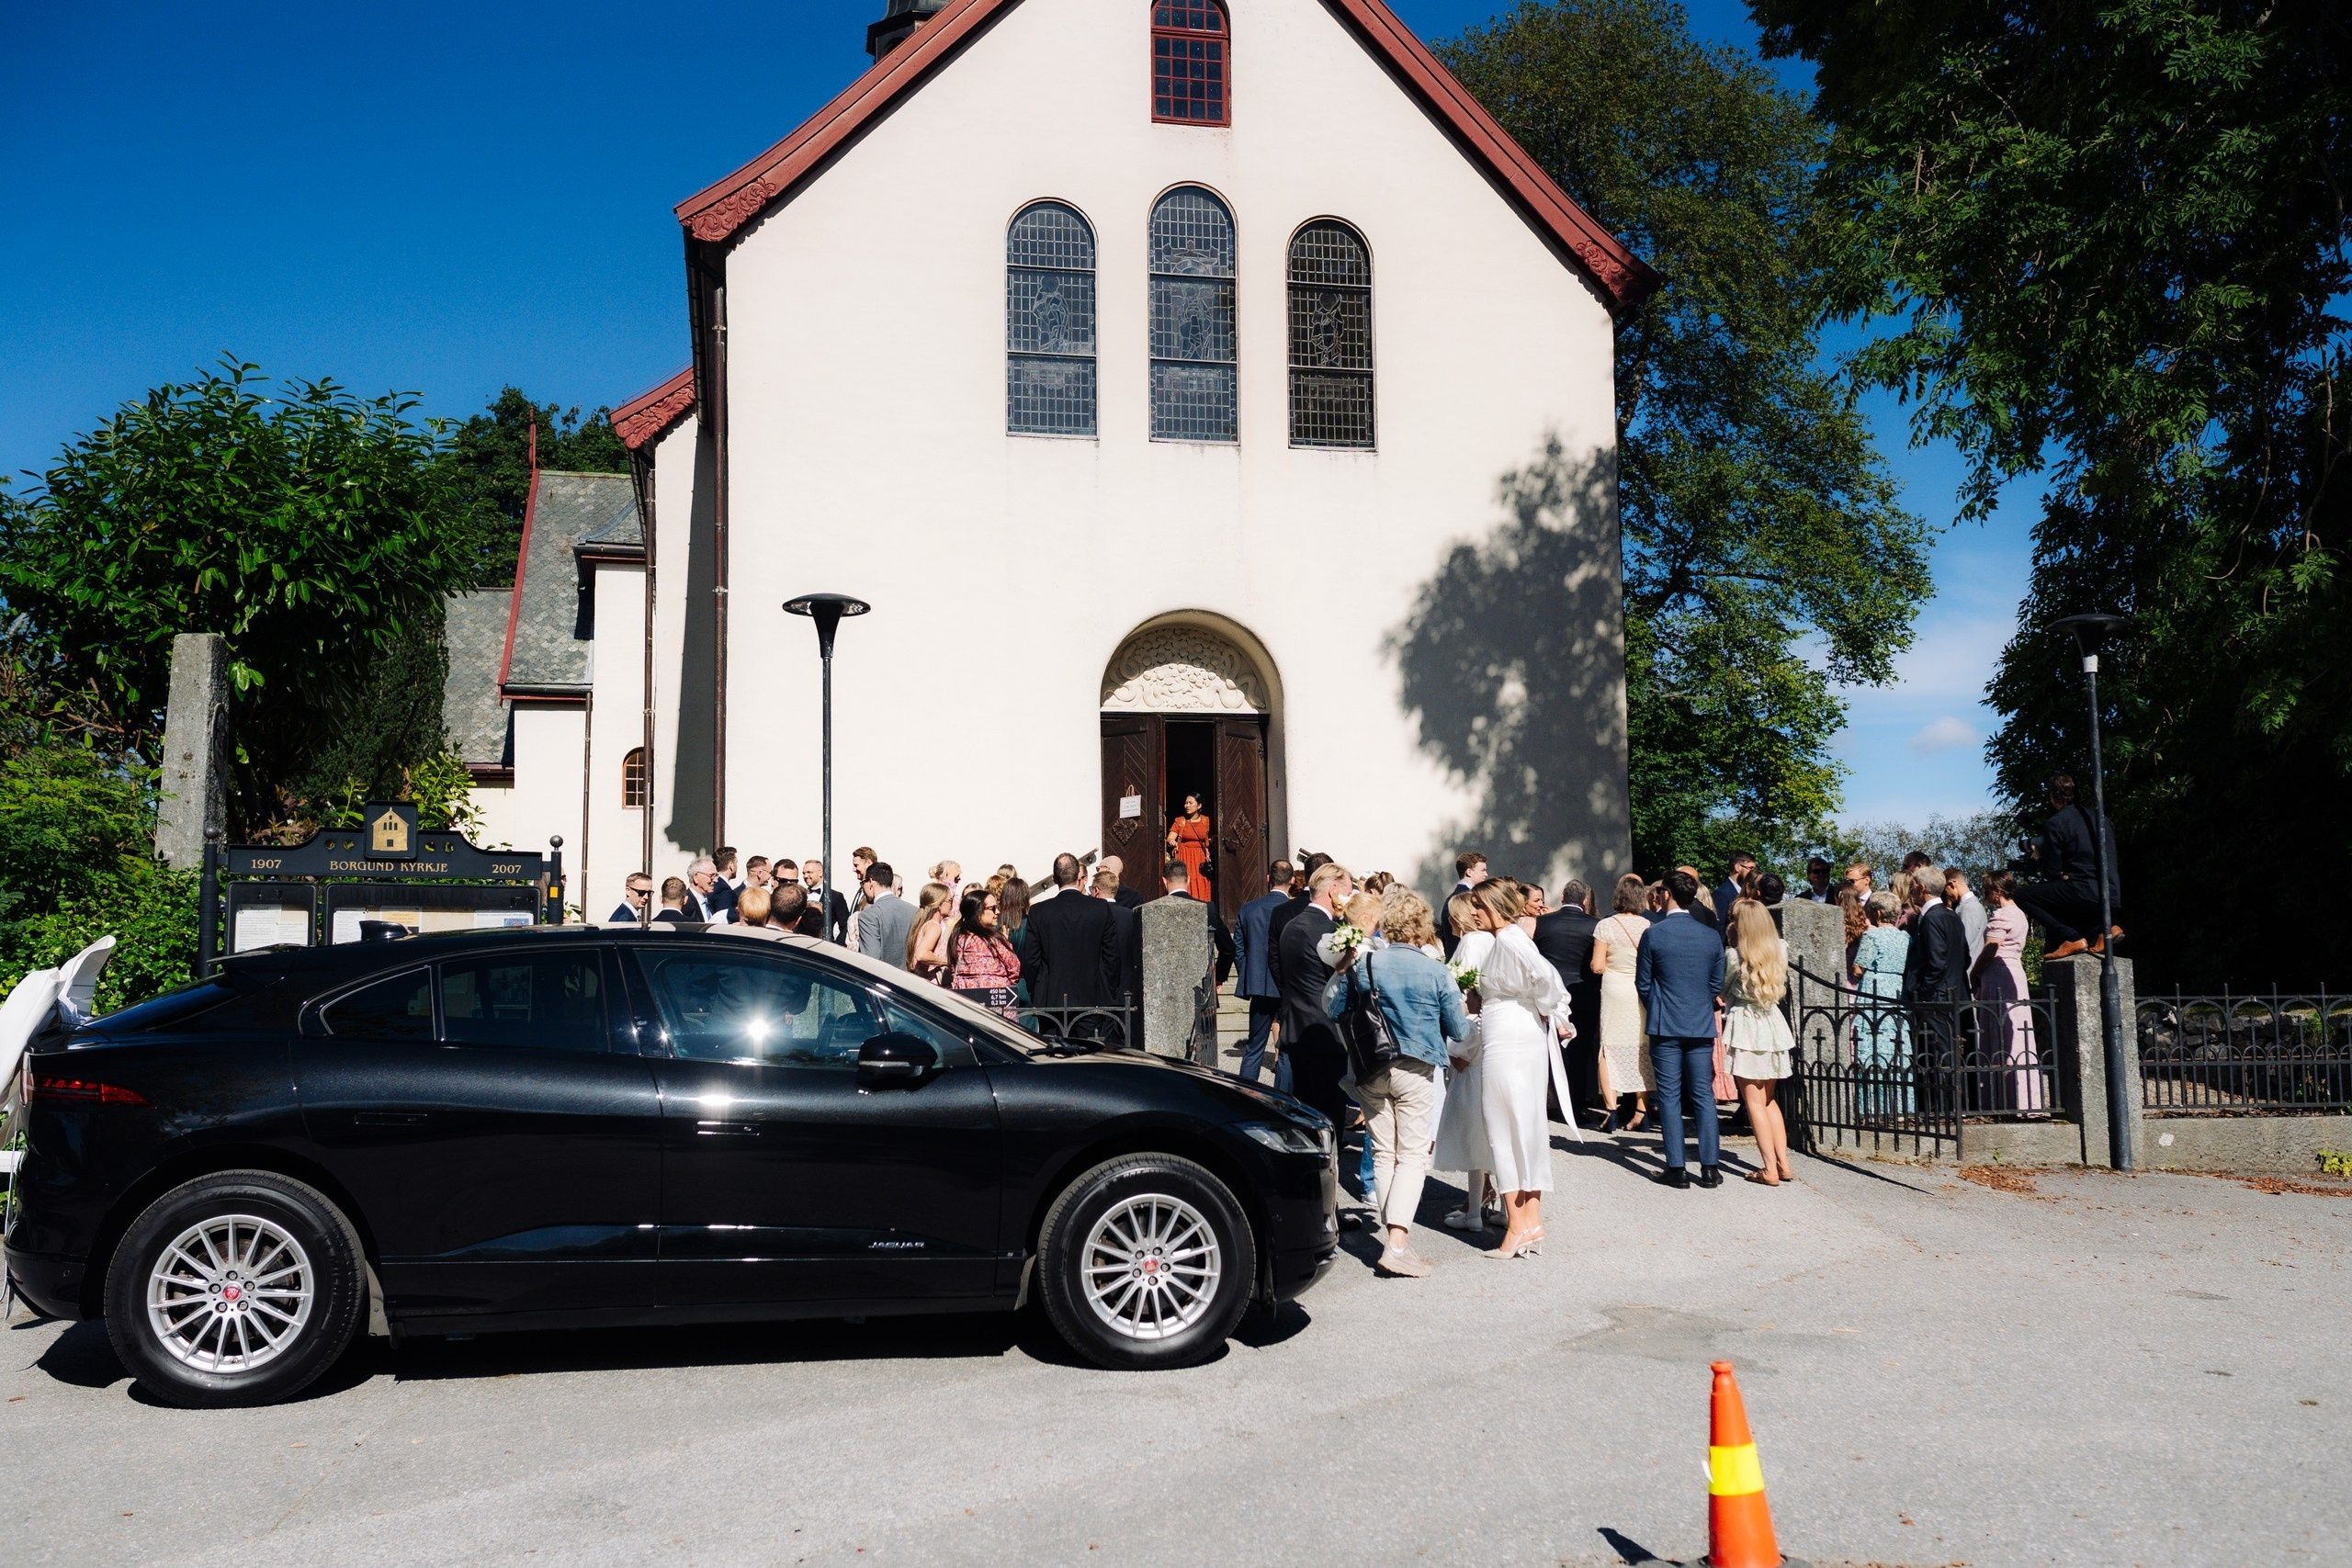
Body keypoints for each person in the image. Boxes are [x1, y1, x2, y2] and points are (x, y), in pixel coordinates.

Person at [1321, 888, 1468, 1278]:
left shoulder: (1364, 963)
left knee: (1385, 1153)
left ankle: (1394, 1239)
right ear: (1421, 926)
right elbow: (1457, 1027)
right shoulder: (1434, 968)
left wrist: (1344, 971)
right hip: (1415, 1066)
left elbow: (1334, 1009)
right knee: (1414, 1155)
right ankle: (1398, 1244)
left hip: (1371, 1065)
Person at [1457, 879, 1575, 1258]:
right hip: (1515, 1035)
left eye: (1478, 904)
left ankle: (1518, 1228)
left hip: (1509, 1040)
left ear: (1493, 905)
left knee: (1504, 1128)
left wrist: (1540, 1005)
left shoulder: (1508, 939)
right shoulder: (1511, 938)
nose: (1473, 911)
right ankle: (1529, 1222)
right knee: (1523, 1125)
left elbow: (1545, 979)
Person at [1635, 869, 1728, 1189]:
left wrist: (1660, 1005)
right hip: (1700, 1022)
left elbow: (1643, 984)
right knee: (1703, 1095)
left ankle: (1677, 1167)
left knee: (1671, 1096)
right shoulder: (1710, 935)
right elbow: (1716, 983)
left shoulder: (1654, 934)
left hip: (1665, 1023)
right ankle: (1710, 1166)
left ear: (1666, 895)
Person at [1434, 890, 1498, 1231]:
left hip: (1471, 1031)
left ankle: (1474, 1208)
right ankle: (1493, 1201)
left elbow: (1461, 991)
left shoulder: (1473, 943)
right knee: (1492, 1131)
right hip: (1491, 1037)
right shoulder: (1490, 940)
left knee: (1475, 1129)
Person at [1722, 900, 1797, 1185]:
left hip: (1746, 1022)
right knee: (1768, 1100)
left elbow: (1723, 986)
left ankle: (1769, 1169)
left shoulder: (1735, 955)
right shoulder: (1780, 947)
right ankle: (1784, 1163)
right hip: (1772, 1021)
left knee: (1753, 1100)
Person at [1275, 862, 1353, 1137]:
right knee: (1327, 1120)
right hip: (1325, 1032)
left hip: (1296, 1027)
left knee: (1303, 1111)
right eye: (1348, 892)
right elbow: (1342, 980)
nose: (1349, 899)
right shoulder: (1328, 930)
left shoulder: (1292, 925)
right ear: (1333, 891)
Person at [2014, 771, 2123, 956]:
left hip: (2084, 892)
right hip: (2112, 893)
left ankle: (2072, 938)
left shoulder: (2056, 823)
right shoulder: (2102, 819)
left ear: (2053, 796)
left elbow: (2052, 871)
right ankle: (2106, 929)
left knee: (2021, 895)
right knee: (2068, 898)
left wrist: (2038, 857)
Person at [1018, 852, 1122, 1020]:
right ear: (1079, 877)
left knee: (1054, 1045)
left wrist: (1037, 990)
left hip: (1052, 998)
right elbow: (1111, 955)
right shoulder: (1099, 908)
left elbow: (1031, 959)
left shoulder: (1040, 912)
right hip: (1091, 997)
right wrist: (1108, 989)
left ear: (1054, 878)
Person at [1970, 873, 2041, 1112]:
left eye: (1986, 889)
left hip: (1998, 973)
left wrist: (1975, 972)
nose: (1985, 893)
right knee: (2018, 1032)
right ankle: (2024, 1099)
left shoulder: (2002, 916)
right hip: (2015, 973)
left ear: (1997, 892)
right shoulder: (2020, 914)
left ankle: (2002, 1099)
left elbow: (1991, 949)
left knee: (1999, 1031)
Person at [1532, 877, 1601, 1124]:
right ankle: (1575, 1106)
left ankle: (1550, 1102)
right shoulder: (1596, 925)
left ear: (1562, 898)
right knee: (1581, 1053)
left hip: (1551, 994)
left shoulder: (1542, 924)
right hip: (1585, 994)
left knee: (1548, 1050)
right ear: (1585, 900)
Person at [1590, 873, 1654, 1134]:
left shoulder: (1605, 926)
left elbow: (1597, 966)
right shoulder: (1648, 927)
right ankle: (1641, 1111)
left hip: (1615, 988)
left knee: (1609, 1048)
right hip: (1639, 989)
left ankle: (1611, 1111)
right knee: (1641, 1047)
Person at [1234, 860, 1294, 1086]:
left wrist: (1249, 973)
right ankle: (1283, 1100)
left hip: (1259, 984)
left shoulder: (1249, 908)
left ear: (1268, 879)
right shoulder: (1293, 909)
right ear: (1292, 880)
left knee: (1254, 1046)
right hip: (1287, 985)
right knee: (1286, 1049)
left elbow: (1239, 948)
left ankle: (1245, 1097)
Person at [1852, 891, 1912, 1116]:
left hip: (1875, 988)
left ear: (1877, 913)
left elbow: (1859, 968)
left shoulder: (1872, 936)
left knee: (1873, 1044)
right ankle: (1899, 1105)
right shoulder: (1905, 937)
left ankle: (1872, 1106)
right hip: (1897, 989)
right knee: (1897, 1044)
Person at [945, 886, 1023, 1019]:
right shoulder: (993, 939)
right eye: (993, 908)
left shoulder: (958, 937)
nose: (997, 912)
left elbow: (953, 968)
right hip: (996, 1001)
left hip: (966, 1002)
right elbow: (1014, 968)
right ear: (978, 911)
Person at [1164, 860, 1235, 983]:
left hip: (1166, 984)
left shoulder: (1157, 909)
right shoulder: (1209, 909)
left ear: (1164, 881)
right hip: (1202, 984)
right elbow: (1228, 949)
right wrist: (1217, 978)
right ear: (1189, 880)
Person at [1092, 865, 1142, 1023]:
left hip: (1098, 990)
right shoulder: (1130, 916)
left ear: (1096, 890)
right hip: (1127, 989)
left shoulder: (1092, 916)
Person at [854, 862, 918, 968]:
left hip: (884, 981)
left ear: (870, 882)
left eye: (863, 883)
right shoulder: (915, 911)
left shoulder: (868, 916)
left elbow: (871, 961)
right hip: (911, 981)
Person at [1164, 793, 1214, 905]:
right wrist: (1172, 841)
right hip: (1185, 856)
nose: (1187, 805)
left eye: (1190, 803)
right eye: (1186, 803)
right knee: (1186, 881)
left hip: (1200, 858)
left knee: (1201, 882)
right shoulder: (1180, 821)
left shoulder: (1206, 821)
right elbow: (1170, 838)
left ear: (1199, 805)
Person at [1440, 852, 1488, 957]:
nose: (1486, 874)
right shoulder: (1463, 899)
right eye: (1483, 870)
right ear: (1469, 872)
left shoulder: (1456, 897)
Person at [907, 881, 954, 979]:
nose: (952, 905)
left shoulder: (923, 924)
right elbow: (921, 954)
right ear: (939, 905)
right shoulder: (934, 927)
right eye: (950, 901)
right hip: (930, 986)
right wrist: (948, 961)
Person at [1948, 867, 1987, 965]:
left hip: (1968, 971)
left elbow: (1964, 942)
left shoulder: (1970, 908)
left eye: (1945, 891)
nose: (1947, 896)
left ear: (1952, 884)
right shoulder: (1967, 906)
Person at [802, 859, 848, 942]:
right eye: (804, 873)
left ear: (821, 873)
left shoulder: (835, 897)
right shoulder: (801, 896)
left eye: (809, 872)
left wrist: (838, 945)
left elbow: (845, 925)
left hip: (825, 946)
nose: (805, 876)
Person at [1714, 854, 1755, 931]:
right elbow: (1720, 927)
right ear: (1738, 867)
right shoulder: (1721, 894)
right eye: (1751, 869)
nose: (1753, 873)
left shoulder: (1749, 891)